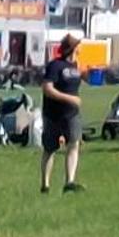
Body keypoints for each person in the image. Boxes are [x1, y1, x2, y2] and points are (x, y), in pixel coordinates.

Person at [40, 33, 84, 193]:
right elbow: (47, 88)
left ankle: (69, 182)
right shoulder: (55, 66)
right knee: (50, 148)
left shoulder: (75, 67)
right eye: (78, 47)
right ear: (72, 49)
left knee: (73, 144)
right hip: (53, 114)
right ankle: (45, 185)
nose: (80, 50)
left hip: (71, 114)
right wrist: (69, 99)